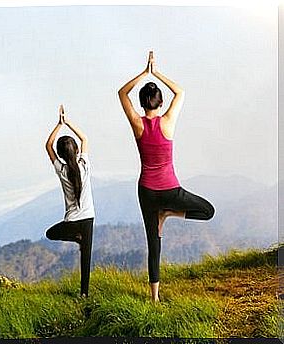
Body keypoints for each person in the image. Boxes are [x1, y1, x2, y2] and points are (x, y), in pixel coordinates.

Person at [118, 51, 215, 302]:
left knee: (154, 245)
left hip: (146, 192)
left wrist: (144, 73)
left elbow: (121, 93)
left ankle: (155, 298)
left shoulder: (138, 125)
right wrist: (156, 72)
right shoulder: (168, 121)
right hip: (171, 190)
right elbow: (180, 92)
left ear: (142, 104)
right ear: (161, 103)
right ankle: (170, 213)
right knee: (208, 211)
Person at [45, 104, 95, 297]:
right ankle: (84, 294)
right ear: (75, 151)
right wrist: (68, 122)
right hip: (88, 219)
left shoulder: (62, 170)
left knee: (50, 233)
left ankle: (76, 238)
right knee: (86, 260)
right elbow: (84, 139)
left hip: (72, 222)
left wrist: (59, 124)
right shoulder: (85, 165)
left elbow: (48, 145)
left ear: (61, 155)